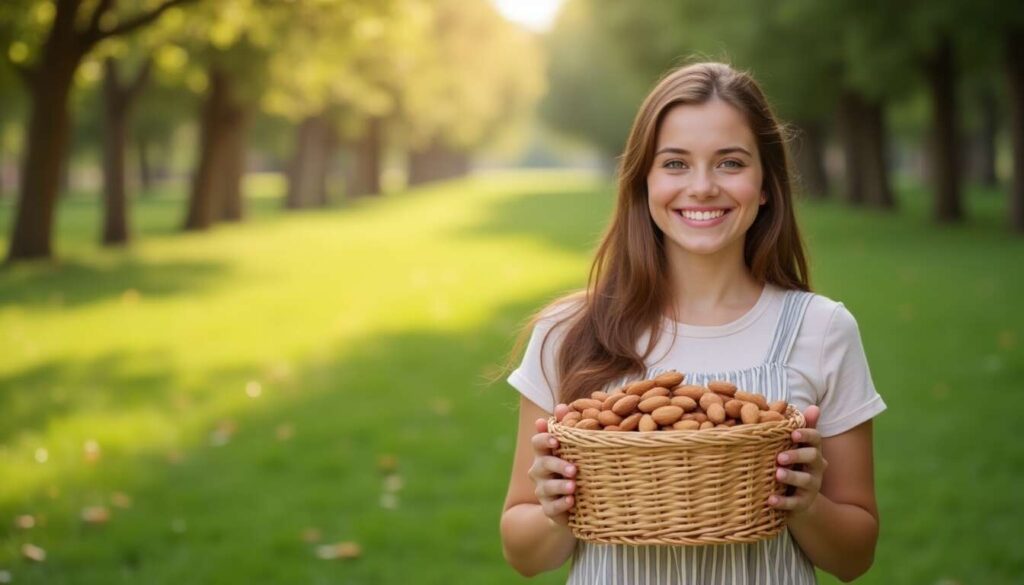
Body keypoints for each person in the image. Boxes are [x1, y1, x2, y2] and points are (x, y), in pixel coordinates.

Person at [498, 62, 886, 584]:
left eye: (730, 163)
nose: (702, 187)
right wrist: (555, 509)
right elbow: (523, 554)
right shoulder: (568, 330)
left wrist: (808, 504)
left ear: (766, 184)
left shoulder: (822, 330)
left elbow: (854, 557)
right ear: (643, 181)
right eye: (676, 164)